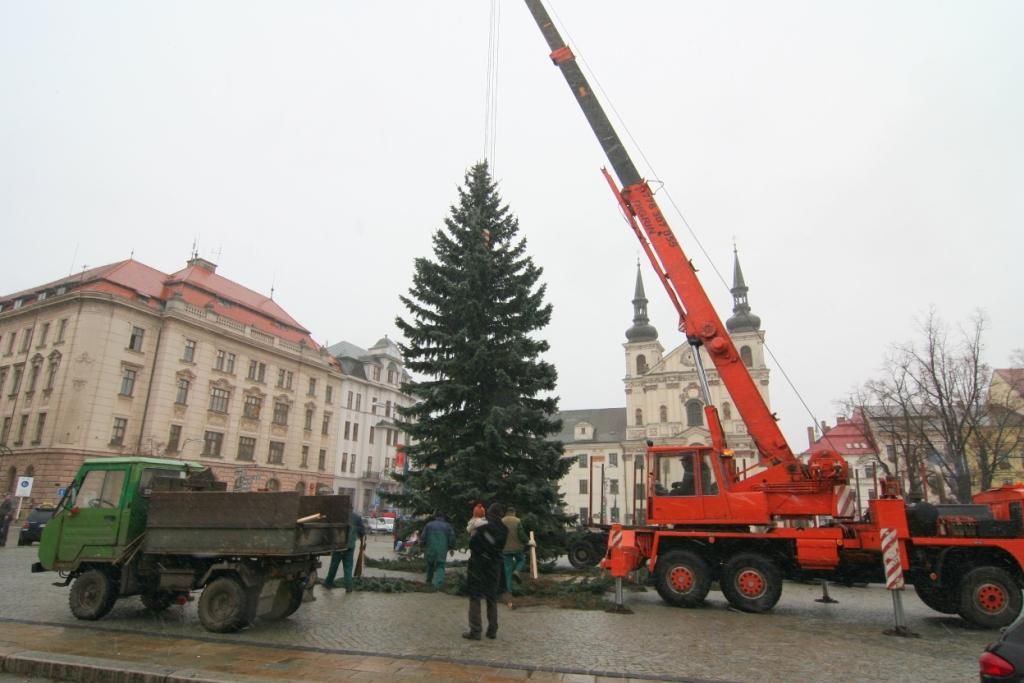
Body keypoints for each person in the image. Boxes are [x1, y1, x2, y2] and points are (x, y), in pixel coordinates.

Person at [463, 503, 508, 641]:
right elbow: (498, 546)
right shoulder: (504, 529)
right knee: (491, 597)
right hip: (495, 566)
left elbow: (473, 544)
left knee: (475, 597)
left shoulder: (483, 527)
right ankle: (492, 630)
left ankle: (476, 630)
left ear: (489, 513)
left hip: (479, 565)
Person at [323, 510, 366, 592]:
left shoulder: (338, 516)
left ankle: (328, 584)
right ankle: (349, 587)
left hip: (338, 546)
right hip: (350, 546)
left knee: (333, 566)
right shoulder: (356, 517)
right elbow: (362, 531)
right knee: (348, 568)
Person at [420, 512, 455, 589]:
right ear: (443, 518)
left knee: (430, 564)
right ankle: (438, 584)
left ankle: (428, 581)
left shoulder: (428, 525)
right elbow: (452, 537)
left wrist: (422, 545)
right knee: (440, 565)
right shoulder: (447, 526)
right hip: (442, 549)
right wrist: (451, 547)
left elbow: (423, 536)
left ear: (435, 517)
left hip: (430, 548)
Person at [501, 506, 527, 600]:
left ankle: (509, 591)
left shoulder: (502, 521)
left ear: (506, 512)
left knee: (507, 570)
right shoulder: (517, 521)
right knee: (521, 559)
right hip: (517, 548)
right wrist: (527, 541)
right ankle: (516, 571)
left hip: (505, 549)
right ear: (514, 512)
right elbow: (521, 534)